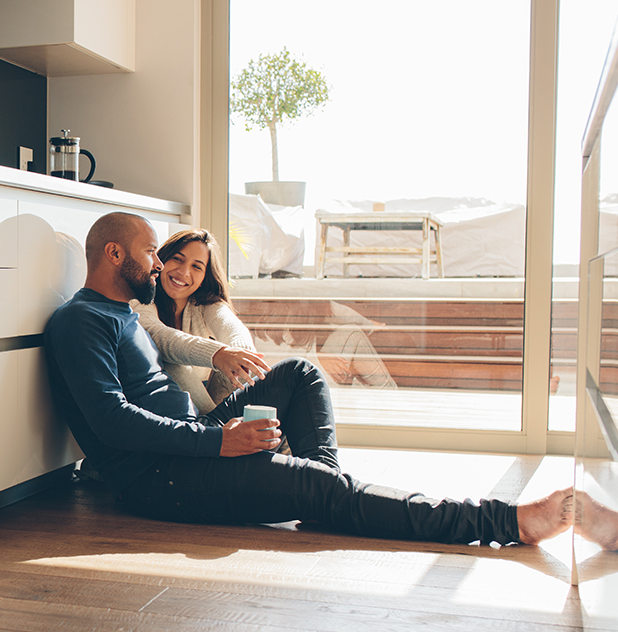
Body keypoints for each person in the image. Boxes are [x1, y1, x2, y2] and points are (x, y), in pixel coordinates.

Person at [43, 211, 573, 547]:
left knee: (300, 374)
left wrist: (215, 432)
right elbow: (111, 422)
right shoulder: (80, 321)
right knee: (321, 488)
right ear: (114, 254)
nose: (159, 266)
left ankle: (321, 495)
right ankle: (504, 523)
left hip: (193, 441)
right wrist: (218, 443)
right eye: (151, 253)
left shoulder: (125, 314)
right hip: (160, 479)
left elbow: (203, 344)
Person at [132, 228, 256, 414]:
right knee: (172, 362)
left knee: (295, 369)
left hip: (206, 399)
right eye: (177, 259)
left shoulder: (205, 304)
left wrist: (241, 353)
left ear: (204, 277)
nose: (183, 272)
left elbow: (232, 328)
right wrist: (217, 354)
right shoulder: (141, 300)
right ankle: (218, 426)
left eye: (196, 267)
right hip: (159, 404)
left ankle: (224, 424)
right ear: (162, 260)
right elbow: (158, 335)